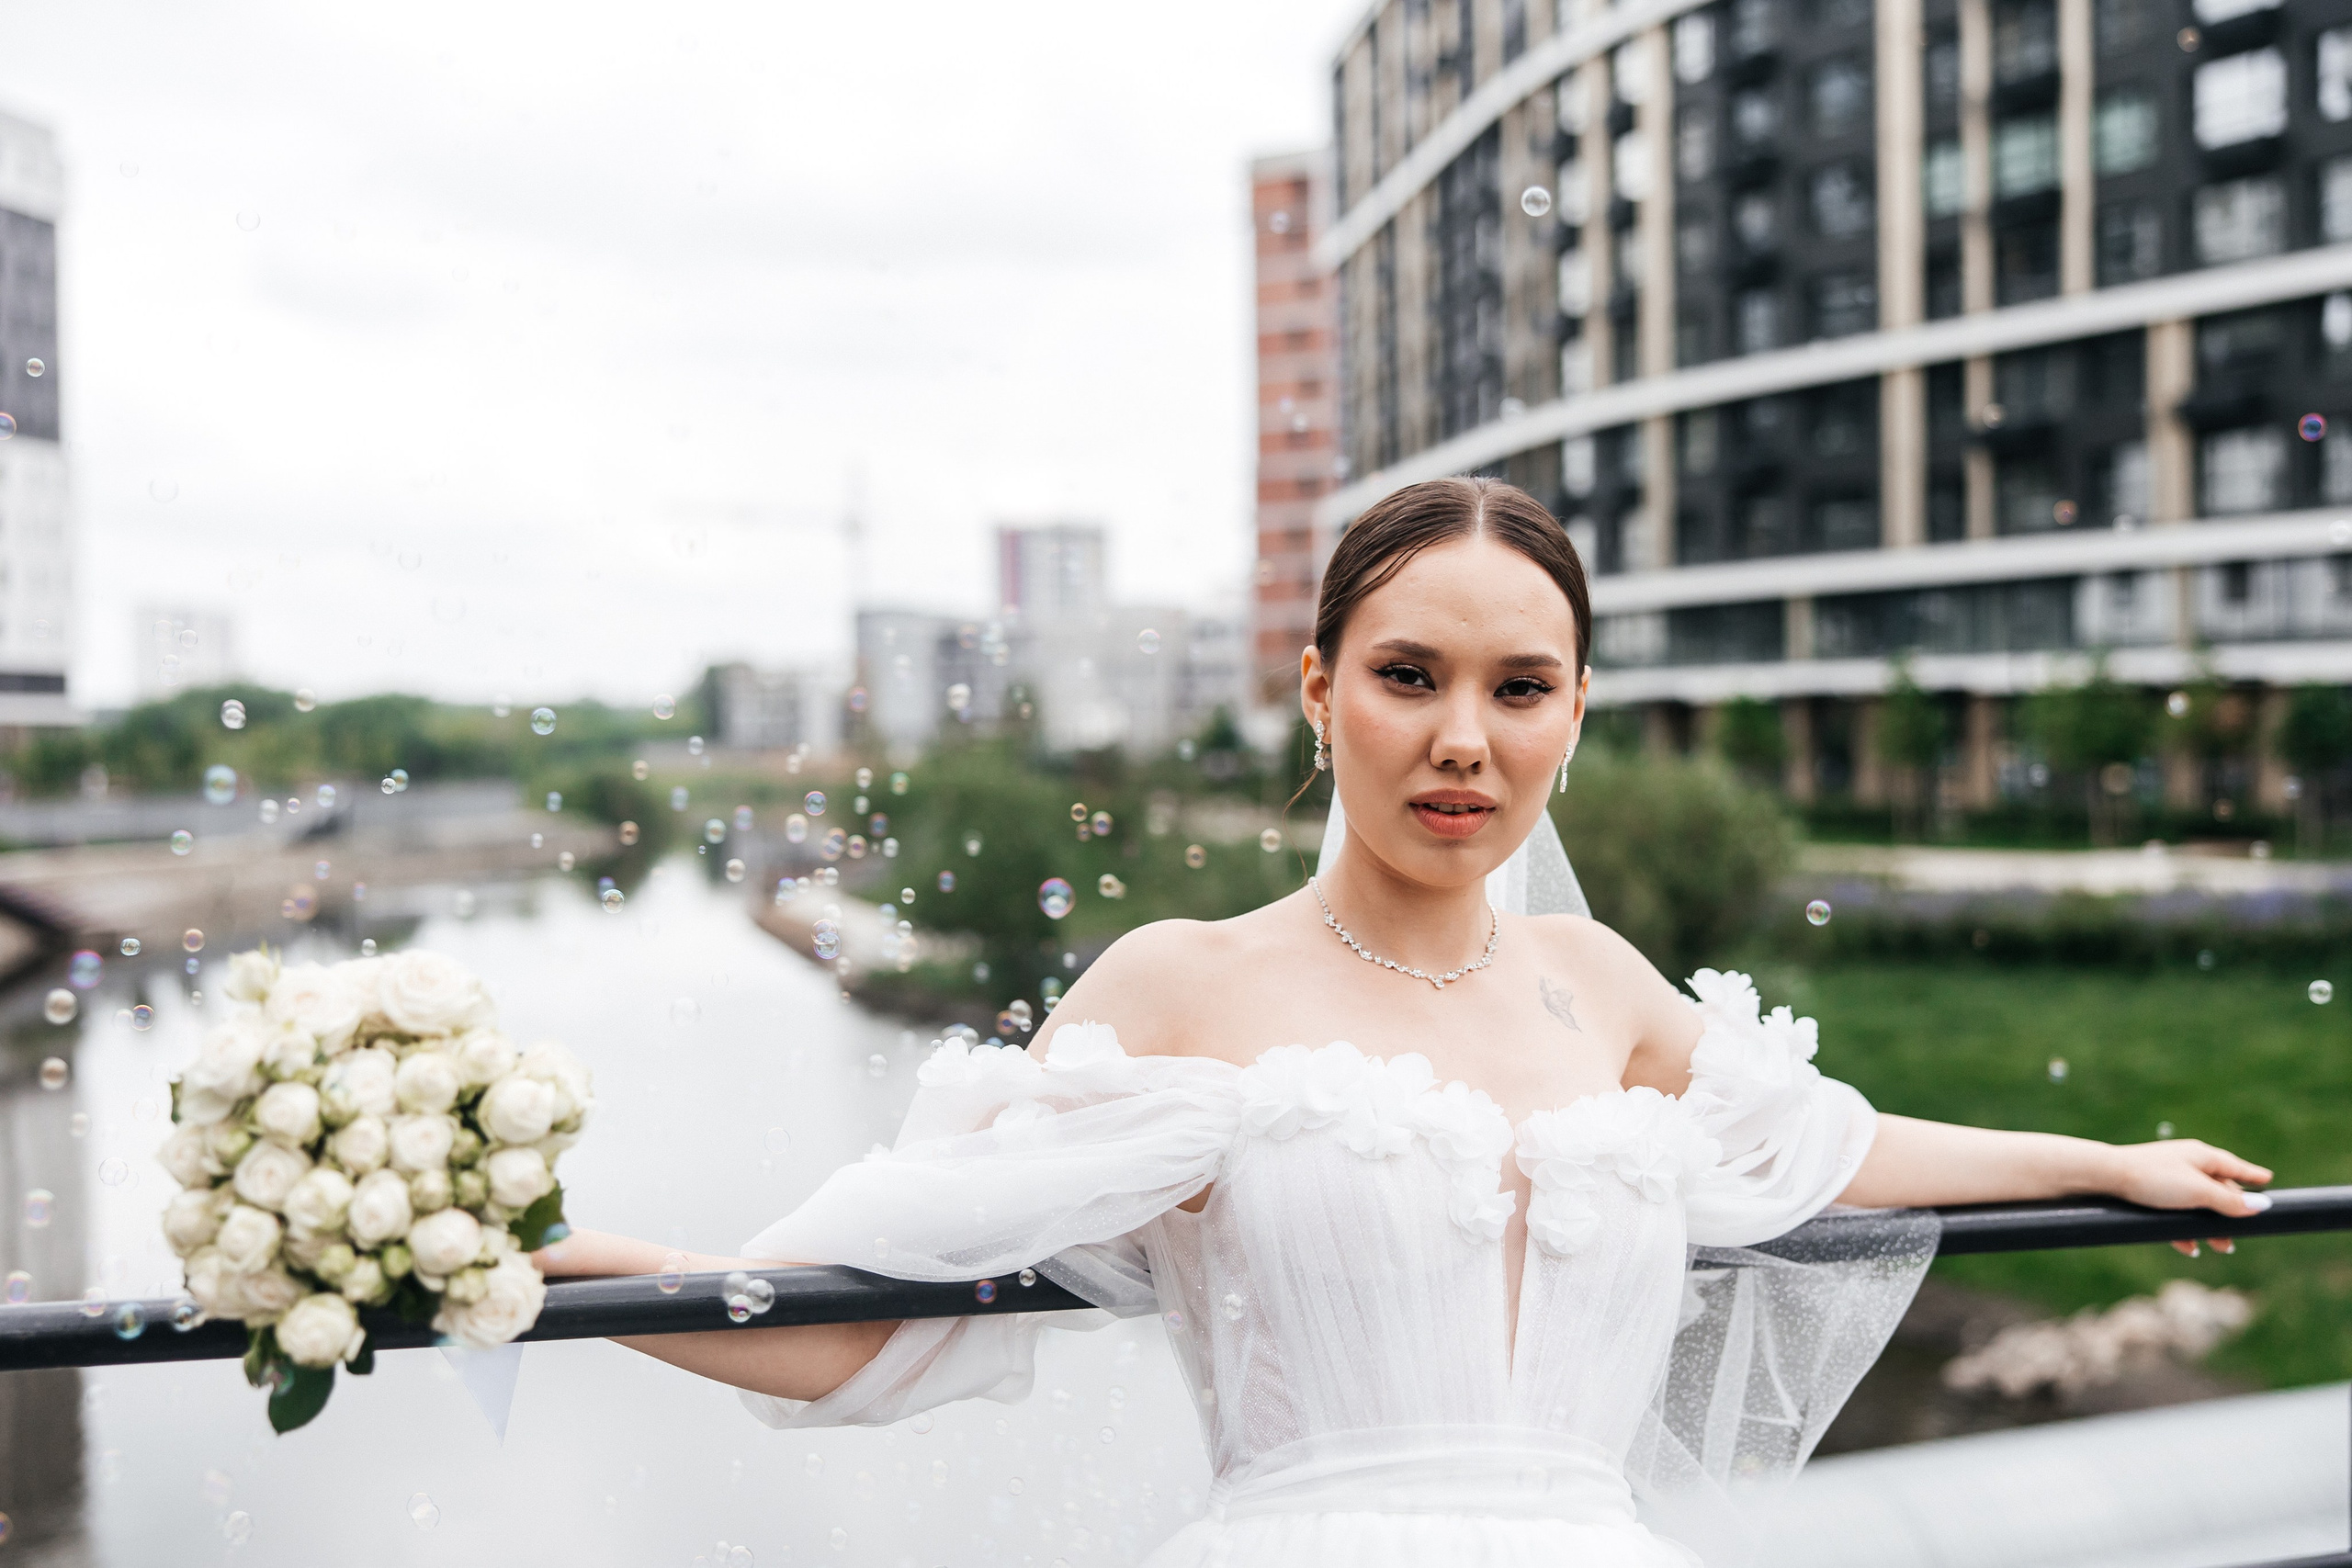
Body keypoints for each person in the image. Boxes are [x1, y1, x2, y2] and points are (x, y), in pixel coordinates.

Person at [544, 477, 2272, 1565]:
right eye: (1408, 676)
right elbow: (849, 1317)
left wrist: (2104, 1161)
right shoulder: (1175, 987)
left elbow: (1831, 1150)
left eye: (1521, 690)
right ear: (1318, 691)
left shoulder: (1602, 990)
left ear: (1575, 713)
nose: (1466, 739)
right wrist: (524, 1258)